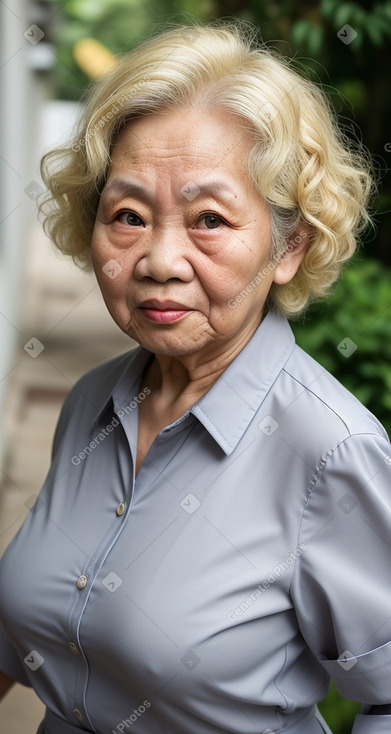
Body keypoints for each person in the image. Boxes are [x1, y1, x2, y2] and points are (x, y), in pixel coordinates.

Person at [0, 21, 390, 734]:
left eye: (208, 218)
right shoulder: (93, 401)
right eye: (127, 215)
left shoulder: (329, 452)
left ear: (287, 247)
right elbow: (27, 629)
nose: (158, 259)